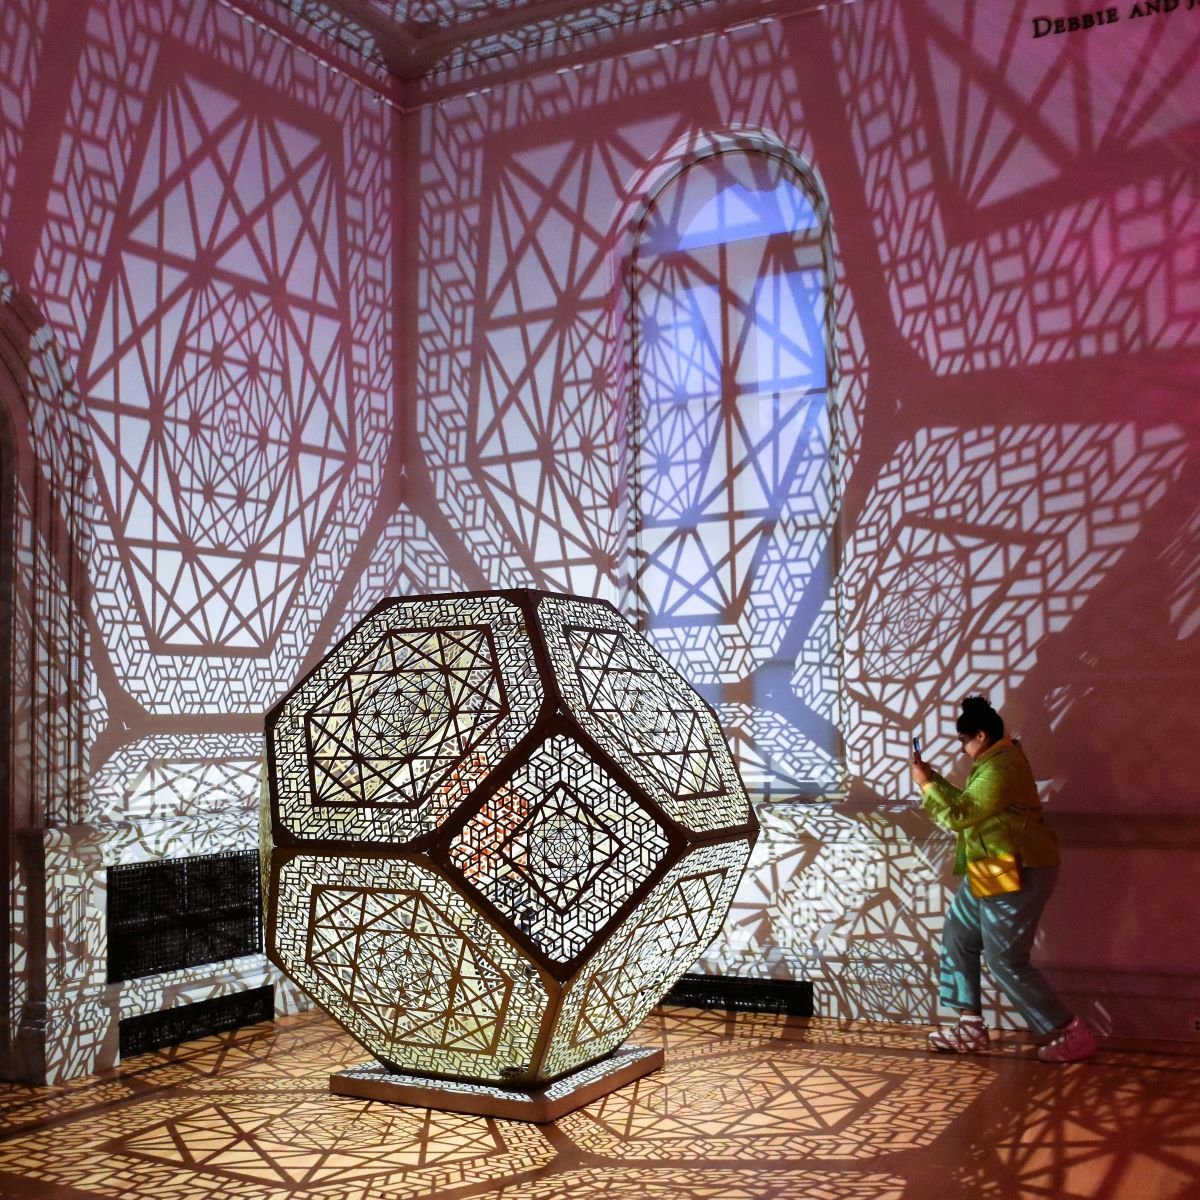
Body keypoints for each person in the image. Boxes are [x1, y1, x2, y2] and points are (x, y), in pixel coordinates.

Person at [911, 695, 1096, 1063]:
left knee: (1005, 960)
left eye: (963, 740)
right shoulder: (996, 761)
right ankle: (970, 1026)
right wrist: (933, 780)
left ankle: (1070, 1032)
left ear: (980, 735)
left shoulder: (1002, 766)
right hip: (992, 867)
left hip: (1019, 870)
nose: (962, 749)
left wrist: (926, 786)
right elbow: (971, 805)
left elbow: (961, 817)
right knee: (958, 936)